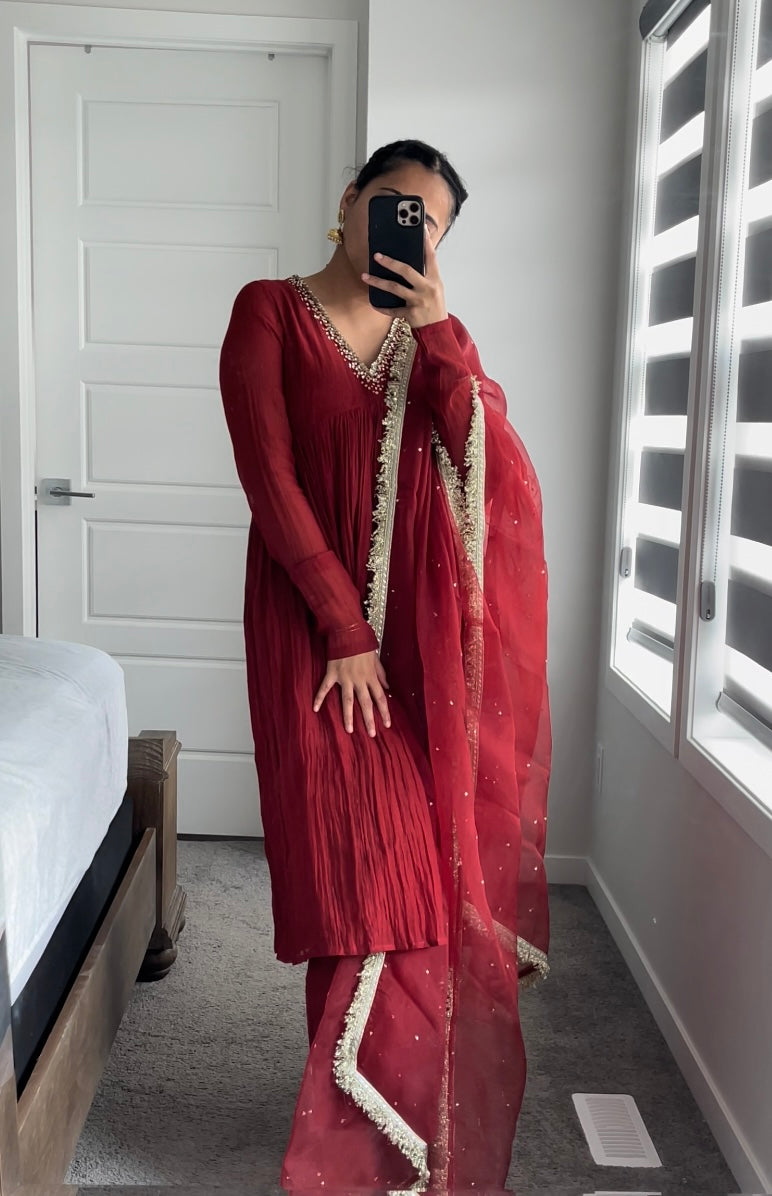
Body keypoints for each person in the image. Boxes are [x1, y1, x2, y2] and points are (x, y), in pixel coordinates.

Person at [219, 138, 551, 1192]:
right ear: (352, 199)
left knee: (414, 882)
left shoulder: (428, 339)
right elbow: (268, 478)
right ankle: (353, 1150)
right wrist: (342, 629)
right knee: (349, 873)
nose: (409, 228)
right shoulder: (268, 313)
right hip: (311, 639)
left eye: (431, 223)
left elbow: (493, 469)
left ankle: (384, 1128)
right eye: (396, 203)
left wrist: (440, 327)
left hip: (415, 651)